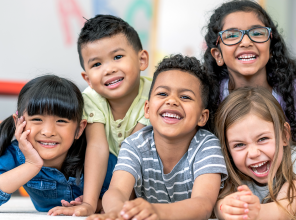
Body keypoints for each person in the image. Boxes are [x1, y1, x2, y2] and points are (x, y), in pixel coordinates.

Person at [87, 54, 228, 220]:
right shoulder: (135, 144)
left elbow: (203, 205)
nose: (172, 101)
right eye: (162, 94)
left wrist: (157, 212)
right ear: (147, 109)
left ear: (202, 117)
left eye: (185, 97)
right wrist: (119, 213)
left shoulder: (207, 146)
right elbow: (116, 191)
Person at [53, 14, 152, 216]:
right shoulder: (90, 98)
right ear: (87, 78)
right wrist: (89, 204)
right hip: (107, 173)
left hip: (146, 168)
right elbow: (97, 147)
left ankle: (120, 201)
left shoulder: (155, 93)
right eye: (97, 64)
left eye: (117, 57)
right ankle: (98, 201)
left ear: (142, 60)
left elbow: (135, 149)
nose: (109, 69)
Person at [203, 0, 296, 158]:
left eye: (257, 33)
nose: (246, 42)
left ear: (271, 48)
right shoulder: (211, 98)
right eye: (231, 35)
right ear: (218, 55)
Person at [0, 75, 116, 214]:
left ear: (79, 129)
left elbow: (127, 193)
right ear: (18, 122)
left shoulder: (96, 158)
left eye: (61, 121)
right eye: (37, 119)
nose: (48, 132)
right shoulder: (15, 154)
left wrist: (97, 204)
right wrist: (31, 165)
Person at [214, 87, 296, 219]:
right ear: (226, 149)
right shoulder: (224, 169)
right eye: (239, 145)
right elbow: (214, 207)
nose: (253, 153)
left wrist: (254, 212)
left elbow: (285, 209)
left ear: (284, 135)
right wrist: (223, 209)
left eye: (262, 139)